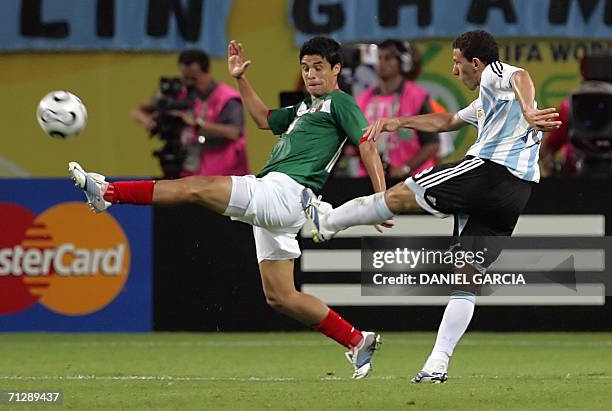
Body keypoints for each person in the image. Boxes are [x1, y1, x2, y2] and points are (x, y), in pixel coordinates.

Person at [69, 37, 389, 379]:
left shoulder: (340, 103)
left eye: (319, 68)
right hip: (282, 202)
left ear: (336, 69)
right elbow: (264, 119)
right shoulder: (302, 109)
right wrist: (239, 77)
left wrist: (380, 200)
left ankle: (109, 192)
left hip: (283, 191)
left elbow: (367, 143)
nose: (311, 74)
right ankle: (357, 340)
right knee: (281, 297)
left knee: (198, 187)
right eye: (305, 68)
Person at [302, 30, 561, 383]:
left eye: (457, 63)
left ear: (475, 62)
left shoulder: (497, 74)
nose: (455, 71)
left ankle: (329, 220)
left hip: (488, 172)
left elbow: (521, 76)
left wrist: (530, 109)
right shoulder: (489, 100)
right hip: (515, 193)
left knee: (401, 195)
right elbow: (447, 121)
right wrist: (400, 122)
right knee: (466, 278)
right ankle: (437, 364)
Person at [131, 49, 249, 178]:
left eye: (193, 78)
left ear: (207, 72)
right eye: (185, 78)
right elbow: (137, 111)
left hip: (225, 175)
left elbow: (234, 132)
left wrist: (196, 124)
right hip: (188, 171)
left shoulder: (227, 98)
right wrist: (152, 123)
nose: (188, 83)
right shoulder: (180, 92)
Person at [353, 39, 440, 179]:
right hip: (370, 179)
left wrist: (406, 168)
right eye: (379, 58)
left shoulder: (417, 96)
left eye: (387, 58)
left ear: (403, 63)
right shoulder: (361, 99)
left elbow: (432, 144)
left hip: (413, 179)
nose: (381, 63)